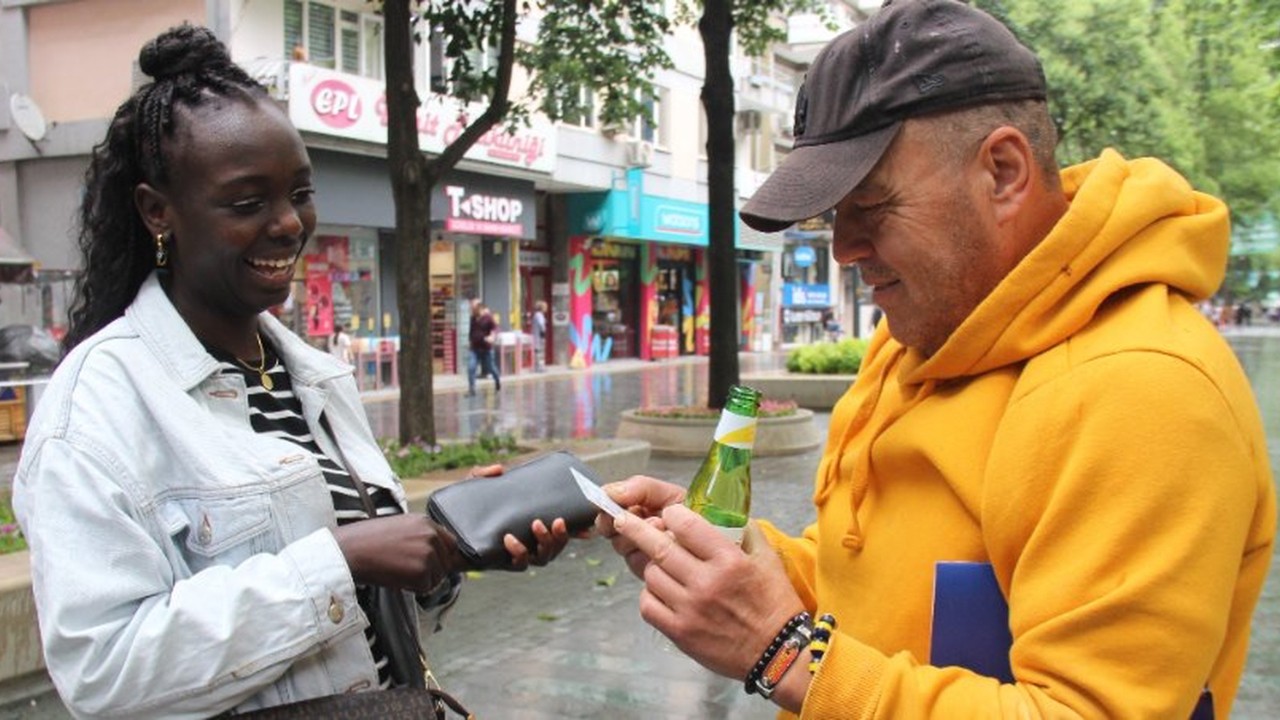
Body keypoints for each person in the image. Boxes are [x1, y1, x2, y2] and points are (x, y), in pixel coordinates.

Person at [596, 2, 1276, 718]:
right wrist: (731, 564)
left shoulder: (1143, 388)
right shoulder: (923, 333)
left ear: (1004, 171)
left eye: (872, 205)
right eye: (834, 215)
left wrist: (784, 651)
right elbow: (872, 583)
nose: (843, 248)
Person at [11, 24, 568, 718]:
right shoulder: (96, 407)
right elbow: (104, 673)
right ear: (159, 211)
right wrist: (341, 560)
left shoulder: (315, 378)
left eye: (299, 193)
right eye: (247, 203)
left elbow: (358, 628)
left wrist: (448, 552)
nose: (287, 225)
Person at [466, 300, 500, 396]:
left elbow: (495, 328)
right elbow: (471, 331)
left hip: (486, 349)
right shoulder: (472, 318)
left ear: (479, 307)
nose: (471, 309)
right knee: (471, 367)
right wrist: (470, 341)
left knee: (491, 368)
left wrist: (492, 336)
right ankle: (472, 389)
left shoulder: (488, 318)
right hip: (475, 349)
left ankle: (497, 381)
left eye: (473, 307)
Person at [531, 300, 548, 372]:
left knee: (537, 351)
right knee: (540, 352)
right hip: (539, 336)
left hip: (536, 335)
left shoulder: (536, 315)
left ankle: (537, 367)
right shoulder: (539, 315)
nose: (546, 309)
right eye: (545, 307)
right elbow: (541, 325)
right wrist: (543, 330)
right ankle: (539, 367)